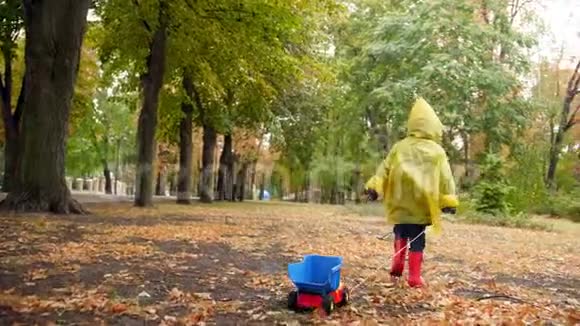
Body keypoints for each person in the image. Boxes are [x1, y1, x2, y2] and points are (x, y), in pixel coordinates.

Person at [364, 97, 458, 288]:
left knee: (400, 231)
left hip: (399, 202)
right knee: (417, 238)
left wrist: (375, 187)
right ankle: (414, 277)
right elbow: (446, 178)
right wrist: (448, 201)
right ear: (433, 125)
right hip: (422, 204)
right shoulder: (437, 151)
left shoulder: (400, 147)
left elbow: (385, 168)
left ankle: (397, 264)